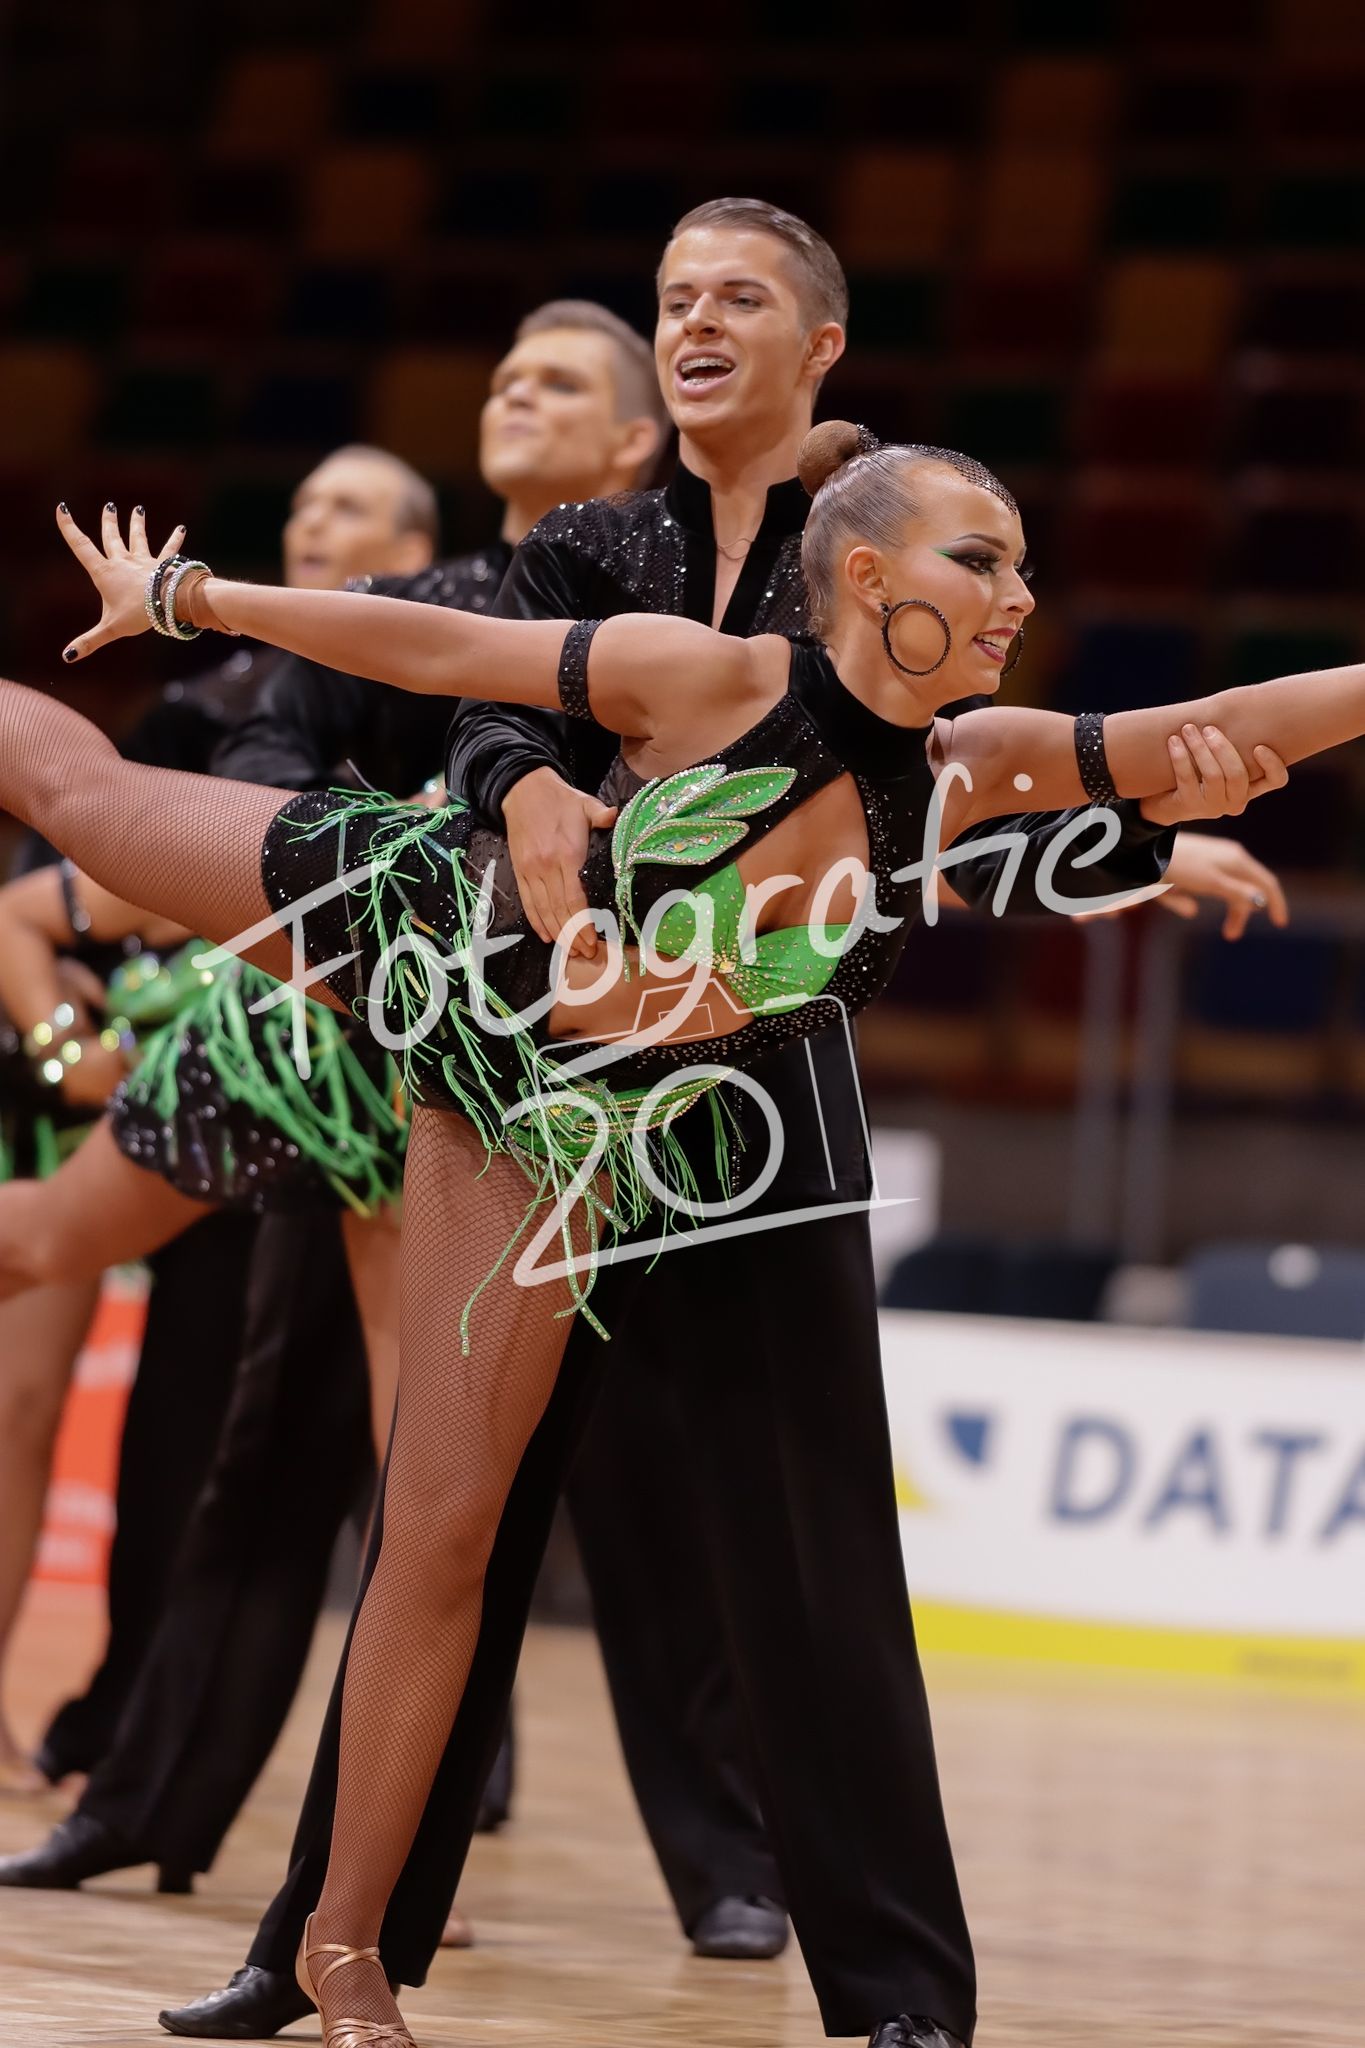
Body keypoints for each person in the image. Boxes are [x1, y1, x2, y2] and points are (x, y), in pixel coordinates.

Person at [7, 406, 1360, 2048]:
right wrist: (193, 601)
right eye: (978, 560)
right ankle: (332, 1934)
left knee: (442, 1525)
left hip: (547, 1128)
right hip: (427, 920)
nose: (1017, 595)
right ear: (865, 576)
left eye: (1020, 566)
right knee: (83, 801)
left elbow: (1220, 724)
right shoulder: (711, 681)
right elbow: (442, 653)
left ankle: (338, 1950)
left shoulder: (968, 771)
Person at [0, 311, 668, 1950]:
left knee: (427, 1489)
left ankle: (385, 1877)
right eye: (504, 375)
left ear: (634, 444)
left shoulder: (660, 628)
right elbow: (94, 866)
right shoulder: (402, 614)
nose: (514, 393)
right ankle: (197, 1815)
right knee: (46, 1256)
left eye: (558, 381)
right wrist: (88, 1043)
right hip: (292, 1028)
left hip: (452, 1081)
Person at [0, 448, 437, 1797]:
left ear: (426, 560)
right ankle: (113, 1730)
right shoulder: (205, 711)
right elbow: (48, 890)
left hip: (375, 1109)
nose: (312, 522)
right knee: (51, 1396)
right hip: (187, 1080)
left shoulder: (465, 707)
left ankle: (423, 1791)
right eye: (301, 505)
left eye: (348, 506)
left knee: (397, 1471)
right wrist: (70, 1055)